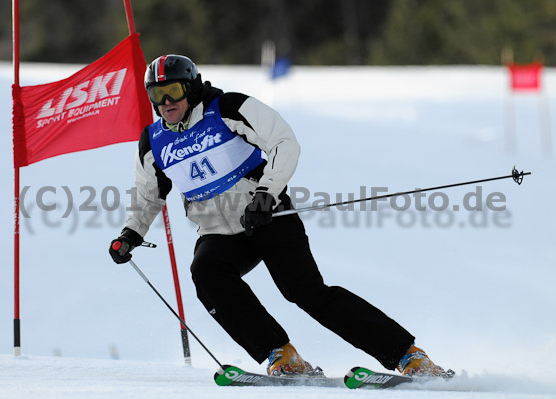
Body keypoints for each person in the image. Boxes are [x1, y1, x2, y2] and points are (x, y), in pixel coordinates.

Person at [109, 54, 450, 377]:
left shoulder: (226, 107)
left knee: (305, 292)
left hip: (267, 216)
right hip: (218, 230)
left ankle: (407, 355)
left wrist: (265, 195)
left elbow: (283, 141)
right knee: (206, 272)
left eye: (174, 91)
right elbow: (147, 195)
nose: (167, 101)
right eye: (158, 93)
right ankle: (282, 354)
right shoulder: (154, 143)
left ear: (192, 87)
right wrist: (130, 234)